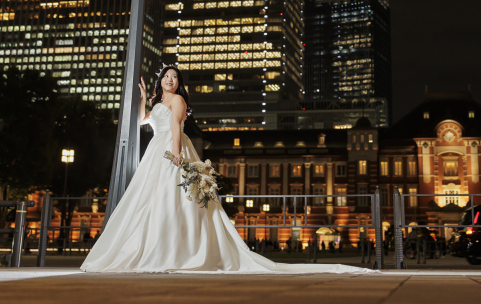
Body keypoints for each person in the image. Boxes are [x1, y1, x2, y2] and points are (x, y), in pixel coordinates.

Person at [81, 66, 369, 274]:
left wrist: (177, 156)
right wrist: (144, 95)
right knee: (152, 201)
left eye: (174, 78)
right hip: (155, 150)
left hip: (170, 149)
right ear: (160, 82)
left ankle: (177, 250)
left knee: (177, 201)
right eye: (166, 77)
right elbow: (144, 120)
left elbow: (175, 128)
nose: (170, 80)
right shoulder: (158, 101)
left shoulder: (179, 101)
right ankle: (158, 248)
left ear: (178, 83)